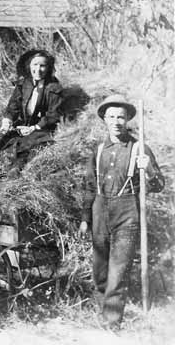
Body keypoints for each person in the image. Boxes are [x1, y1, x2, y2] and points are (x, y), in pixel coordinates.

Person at [79, 94, 165, 330]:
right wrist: (85, 218)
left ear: (128, 120)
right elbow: (88, 186)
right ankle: (101, 311)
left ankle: (112, 322)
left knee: (119, 269)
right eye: (112, 116)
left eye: (121, 117)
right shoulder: (98, 150)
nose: (117, 121)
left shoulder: (139, 147)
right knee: (100, 270)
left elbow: (158, 185)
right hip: (99, 210)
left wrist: (148, 169)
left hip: (127, 212)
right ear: (104, 120)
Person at [0, 49, 64, 175]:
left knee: (27, 144)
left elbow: (53, 115)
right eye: (35, 65)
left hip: (42, 127)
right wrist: (7, 121)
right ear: (29, 66)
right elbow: (13, 105)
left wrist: (34, 128)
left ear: (48, 68)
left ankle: (15, 171)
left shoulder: (54, 88)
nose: (38, 69)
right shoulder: (24, 83)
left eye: (42, 66)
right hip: (23, 123)